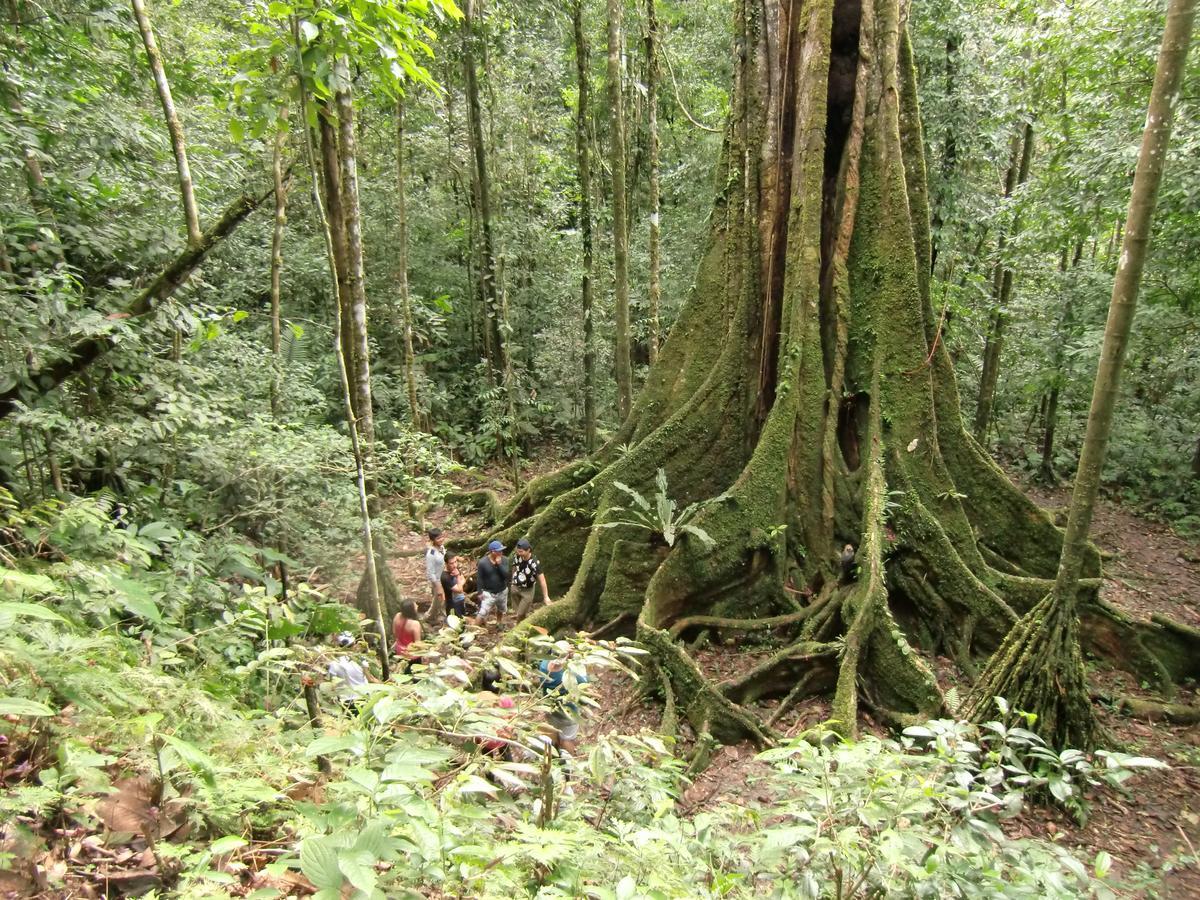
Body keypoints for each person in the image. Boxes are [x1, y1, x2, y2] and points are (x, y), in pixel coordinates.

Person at [538, 656, 588, 753]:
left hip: (551, 709)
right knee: (567, 739)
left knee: (553, 731)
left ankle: (552, 755)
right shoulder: (569, 674)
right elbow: (584, 684)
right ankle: (568, 762)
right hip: (569, 712)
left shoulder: (543, 666)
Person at [327, 631, 369, 714]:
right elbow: (370, 678)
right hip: (362, 699)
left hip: (345, 703)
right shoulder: (361, 660)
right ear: (354, 644)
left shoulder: (334, 663)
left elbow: (333, 686)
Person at [510, 537, 551, 622]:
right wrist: (512, 581)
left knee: (520, 613)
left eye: (521, 551)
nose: (519, 553)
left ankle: (518, 628)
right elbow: (514, 567)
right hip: (516, 587)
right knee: (519, 612)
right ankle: (523, 621)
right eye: (518, 551)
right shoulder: (517, 556)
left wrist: (546, 597)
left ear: (528, 550)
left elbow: (542, 580)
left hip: (527, 590)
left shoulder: (534, 563)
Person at [475, 539, 510, 627]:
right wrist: (479, 592)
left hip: (502, 590)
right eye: (499, 551)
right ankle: (475, 628)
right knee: (482, 612)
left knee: (501, 609)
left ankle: (499, 622)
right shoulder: (483, 562)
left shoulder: (505, 560)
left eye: (501, 551)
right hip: (488, 592)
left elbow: (506, 575)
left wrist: (499, 565)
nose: (501, 553)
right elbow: (479, 578)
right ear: (493, 552)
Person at [392, 599, 423, 672]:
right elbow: (417, 643)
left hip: (400, 651)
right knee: (415, 674)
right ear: (411, 610)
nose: (417, 606)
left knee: (402, 670)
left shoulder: (397, 616)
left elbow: (394, 632)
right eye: (415, 605)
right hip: (412, 655)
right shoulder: (415, 624)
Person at [424, 528, 447, 621]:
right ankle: (428, 617)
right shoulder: (431, 554)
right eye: (438, 538)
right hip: (437, 580)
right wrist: (438, 586)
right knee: (438, 601)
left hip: (444, 577)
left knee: (443, 599)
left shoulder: (442, 547)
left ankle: (443, 615)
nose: (441, 539)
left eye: (441, 537)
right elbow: (430, 572)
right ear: (433, 540)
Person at [440, 553, 467, 618]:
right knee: (456, 624)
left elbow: (463, 579)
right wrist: (457, 577)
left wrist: (458, 585)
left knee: (463, 620)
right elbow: (460, 590)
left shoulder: (455, 569)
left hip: (461, 600)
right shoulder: (445, 577)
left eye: (455, 562)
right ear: (446, 564)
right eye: (451, 563)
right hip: (453, 605)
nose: (454, 565)